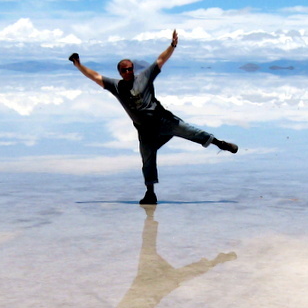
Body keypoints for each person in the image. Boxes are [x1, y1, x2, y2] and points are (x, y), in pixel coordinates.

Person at [69, 30, 238, 204]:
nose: (128, 72)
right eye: (124, 70)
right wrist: (78, 65)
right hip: (145, 131)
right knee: (147, 159)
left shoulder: (145, 77)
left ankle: (220, 144)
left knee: (191, 131)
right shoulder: (115, 86)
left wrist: (172, 45)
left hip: (164, 121)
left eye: (130, 69)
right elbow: (94, 76)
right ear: (119, 72)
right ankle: (150, 194)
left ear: (133, 69)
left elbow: (160, 60)